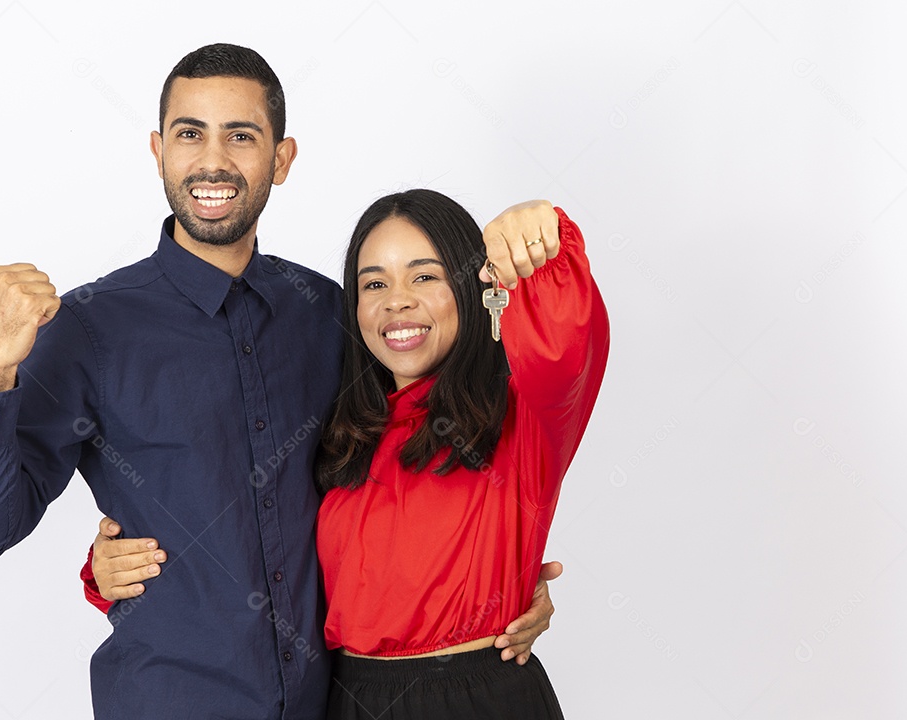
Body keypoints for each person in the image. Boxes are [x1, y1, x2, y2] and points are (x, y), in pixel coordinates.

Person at [0, 44, 557, 719]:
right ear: (158, 151)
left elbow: (423, 466)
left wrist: (507, 586)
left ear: (281, 159)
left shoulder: (332, 315)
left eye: (240, 136)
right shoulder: (88, 329)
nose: (214, 161)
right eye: (190, 134)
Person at [87, 190, 609, 718]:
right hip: (345, 698)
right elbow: (257, 535)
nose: (397, 301)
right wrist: (115, 570)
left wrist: (542, 236)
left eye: (425, 277)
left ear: (472, 286)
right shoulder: (345, 432)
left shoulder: (523, 415)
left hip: (474, 700)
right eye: (374, 284)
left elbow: (566, 340)